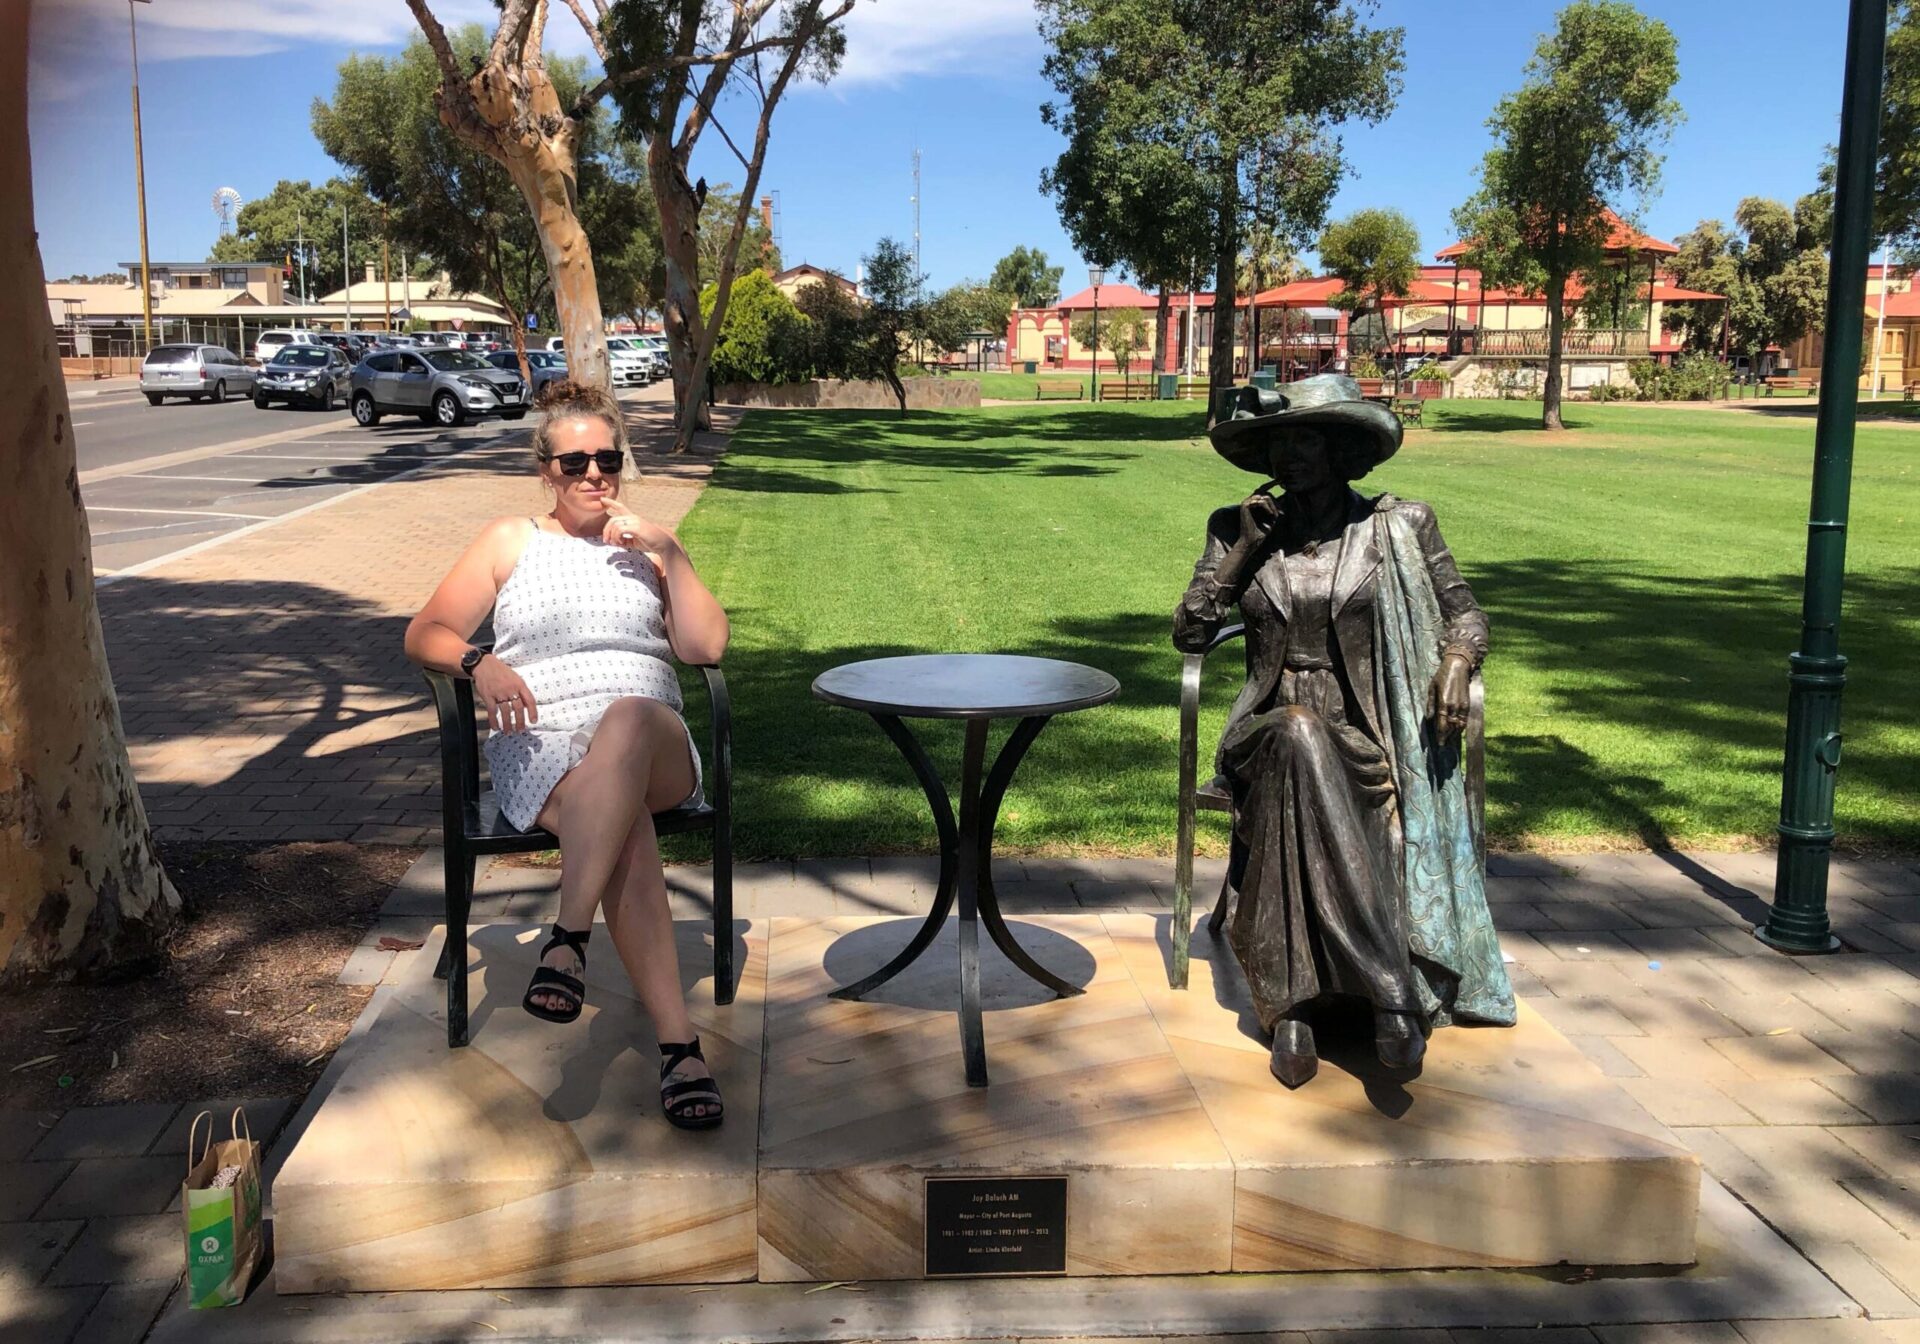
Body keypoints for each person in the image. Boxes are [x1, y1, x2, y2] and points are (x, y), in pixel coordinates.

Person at [404, 380, 729, 1129]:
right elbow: (426, 633)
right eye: (574, 462)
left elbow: (705, 646)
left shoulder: (646, 548)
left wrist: (670, 552)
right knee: (626, 831)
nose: (593, 474)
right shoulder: (509, 540)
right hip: (543, 744)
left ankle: (569, 934)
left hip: (654, 743)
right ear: (545, 471)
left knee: (625, 719)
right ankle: (680, 1047)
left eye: (607, 459)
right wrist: (478, 663)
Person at [1173, 376, 1514, 1089]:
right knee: (1295, 734)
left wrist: (1456, 662)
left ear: (1341, 450)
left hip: (1366, 735)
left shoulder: (1399, 525)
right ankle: (1390, 989)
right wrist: (1244, 553)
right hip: (1261, 732)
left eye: (1303, 439)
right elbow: (1191, 631)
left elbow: (1467, 614)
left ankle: (1291, 1012)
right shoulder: (1236, 526)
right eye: (1278, 442)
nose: (1287, 456)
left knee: (1307, 758)